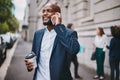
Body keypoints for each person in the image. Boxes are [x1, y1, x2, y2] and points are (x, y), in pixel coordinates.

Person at [24, 3, 80, 80]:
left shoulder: (69, 33)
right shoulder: (38, 34)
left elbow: (73, 50)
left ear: (57, 14)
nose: (44, 13)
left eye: (48, 11)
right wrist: (30, 65)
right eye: (43, 11)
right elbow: (34, 55)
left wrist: (58, 26)